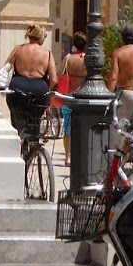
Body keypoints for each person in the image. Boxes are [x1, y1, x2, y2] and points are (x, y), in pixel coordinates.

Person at [3, 22, 57, 137]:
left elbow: (6, 67)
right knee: (35, 121)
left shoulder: (18, 49)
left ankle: (19, 138)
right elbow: (54, 79)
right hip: (39, 89)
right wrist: (47, 89)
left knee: (18, 120)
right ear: (41, 37)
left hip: (18, 87)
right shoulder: (47, 53)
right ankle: (33, 141)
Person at [56, 30, 87, 167]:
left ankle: (68, 157)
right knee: (83, 127)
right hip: (83, 96)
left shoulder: (68, 58)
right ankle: (81, 156)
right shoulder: (88, 59)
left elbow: (59, 75)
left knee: (68, 128)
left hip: (68, 96)